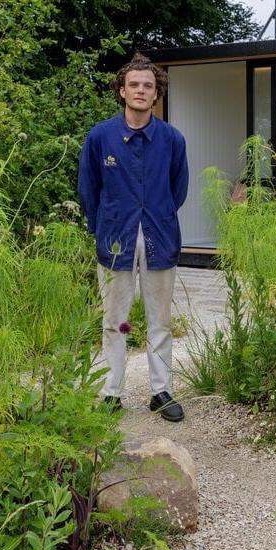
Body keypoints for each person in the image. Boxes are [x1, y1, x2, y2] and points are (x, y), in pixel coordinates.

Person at [77, 53, 188, 422]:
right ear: (122, 91)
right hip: (114, 239)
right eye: (134, 85)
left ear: (157, 94)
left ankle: (161, 391)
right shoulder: (100, 137)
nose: (141, 91)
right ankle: (111, 392)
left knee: (160, 320)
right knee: (115, 320)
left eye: (148, 86)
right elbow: (89, 188)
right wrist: (102, 225)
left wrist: (162, 216)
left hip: (159, 236)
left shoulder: (171, 139)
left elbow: (179, 188)